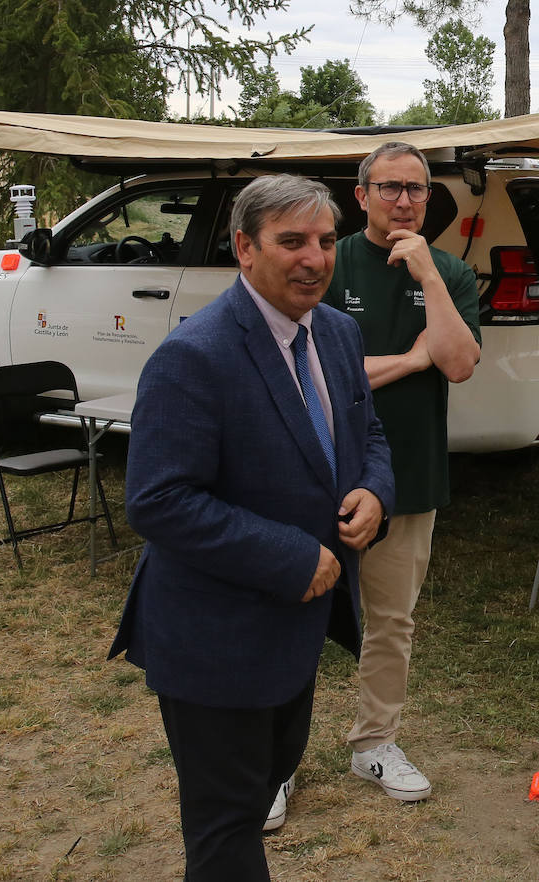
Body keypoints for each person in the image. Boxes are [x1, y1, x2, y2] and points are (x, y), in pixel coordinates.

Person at [108, 174, 395, 881]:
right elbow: (157, 498)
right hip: (214, 639)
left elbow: (371, 434)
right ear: (244, 247)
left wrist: (373, 493)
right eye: (291, 241)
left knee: (265, 779)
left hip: (292, 636)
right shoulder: (195, 355)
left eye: (326, 241)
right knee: (226, 827)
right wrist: (292, 556)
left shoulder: (336, 331)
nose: (315, 259)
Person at [323, 141, 481, 803]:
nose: (404, 200)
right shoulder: (328, 265)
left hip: (409, 473)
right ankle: (271, 760)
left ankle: (375, 743)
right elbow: (320, 378)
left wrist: (430, 279)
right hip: (323, 470)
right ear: (362, 197)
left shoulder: (448, 272)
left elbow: (459, 362)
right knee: (295, 616)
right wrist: (409, 362)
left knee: (391, 620)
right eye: (389, 188)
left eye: (416, 189)